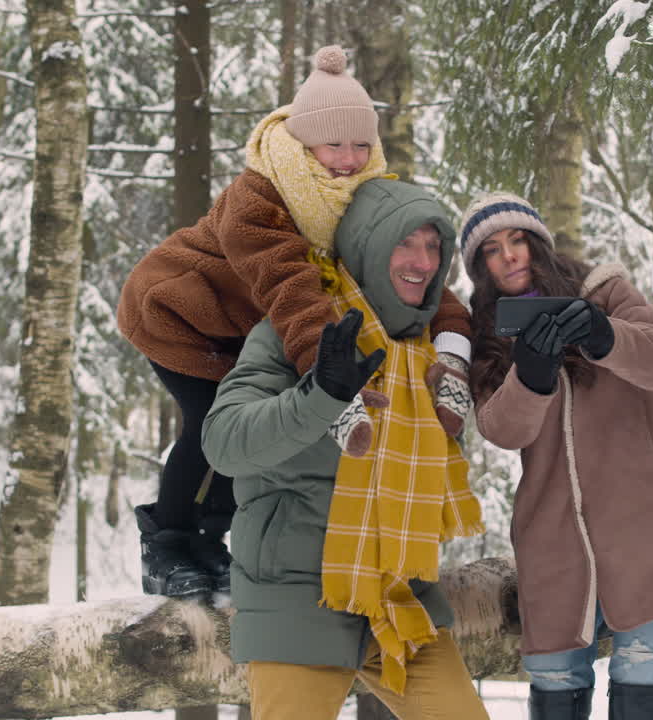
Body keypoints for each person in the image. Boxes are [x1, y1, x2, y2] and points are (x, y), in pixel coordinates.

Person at [116, 46, 473, 597]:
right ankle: (167, 544)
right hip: (178, 314)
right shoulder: (258, 198)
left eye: (361, 144)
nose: (349, 158)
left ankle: (210, 539)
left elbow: (411, 261)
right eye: (334, 144)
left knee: (251, 417)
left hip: (243, 326)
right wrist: (332, 381)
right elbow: (292, 291)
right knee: (213, 421)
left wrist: (453, 348)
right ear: (305, 141)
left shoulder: (359, 194)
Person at [201, 179, 489, 719]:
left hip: (402, 598)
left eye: (433, 246)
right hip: (296, 597)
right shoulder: (294, 333)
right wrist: (323, 395)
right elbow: (225, 443)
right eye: (405, 242)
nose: (422, 260)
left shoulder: (435, 352)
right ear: (367, 246)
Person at [458, 192, 653, 720]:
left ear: (538, 245)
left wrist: (605, 335)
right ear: (482, 270)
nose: (510, 255)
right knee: (556, 678)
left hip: (644, 529)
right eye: (492, 250)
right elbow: (501, 430)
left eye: (517, 240)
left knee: (644, 672)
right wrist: (530, 374)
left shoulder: (604, 292)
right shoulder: (486, 337)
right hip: (553, 541)